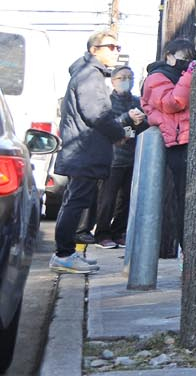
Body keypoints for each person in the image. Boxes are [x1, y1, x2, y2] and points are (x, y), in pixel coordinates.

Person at [53, 31, 143, 274]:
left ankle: (65, 252)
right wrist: (119, 133)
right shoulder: (89, 76)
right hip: (84, 150)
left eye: (117, 46)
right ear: (94, 50)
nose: (115, 51)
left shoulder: (88, 73)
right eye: (110, 47)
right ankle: (64, 254)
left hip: (84, 149)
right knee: (76, 202)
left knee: (75, 200)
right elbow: (97, 114)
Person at [141, 38, 195, 259]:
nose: (189, 62)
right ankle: (185, 252)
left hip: (188, 140)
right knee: (183, 200)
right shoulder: (156, 77)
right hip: (177, 143)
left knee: (189, 201)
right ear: (169, 55)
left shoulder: (182, 76)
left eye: (192, 59)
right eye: (185, 57)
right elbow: (173, 103)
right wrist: (190, 75)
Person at [91, 65, 145, 249]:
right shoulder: (107, 101)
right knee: (107, 198)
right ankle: (102, 233)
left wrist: (140, 121)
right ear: (113, 81)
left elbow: (144, 126)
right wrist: (126, 118)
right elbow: (107, 125)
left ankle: (119, 231)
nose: (126, 81)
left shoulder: (137, 101)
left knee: (126, 198)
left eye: (129, 77)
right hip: (112, 157)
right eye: (121, 77)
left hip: (132, 156)